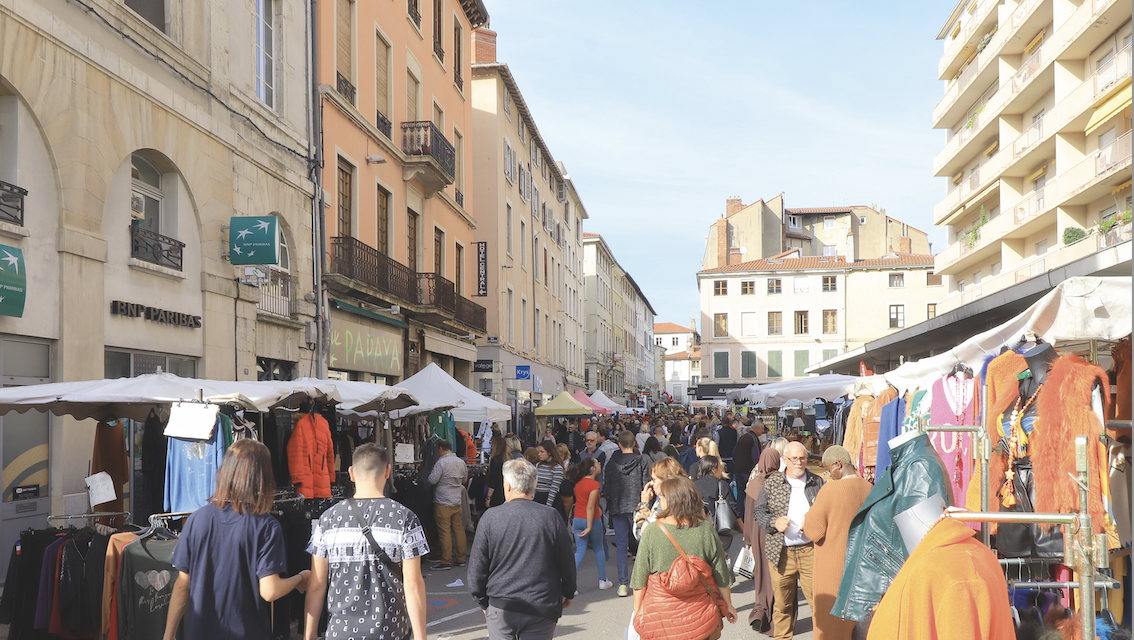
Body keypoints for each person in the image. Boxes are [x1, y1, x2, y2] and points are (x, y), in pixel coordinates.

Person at [163, 439, 310, 640]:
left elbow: (182, 585)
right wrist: (301, 578)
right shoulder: (266, 526)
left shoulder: (197, 519)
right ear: (262, 476)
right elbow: (270, 590)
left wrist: (168, 634)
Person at [303, 444, 429, 640]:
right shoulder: (405, 518)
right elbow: (413, 585)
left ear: (351, 473)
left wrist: (309, 635)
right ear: (388, 470)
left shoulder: (327, 520)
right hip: (390, 631)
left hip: (340, 631)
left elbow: (316, 584)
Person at [468, 459, 578, 640]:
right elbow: (566, 560)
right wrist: (568, 591)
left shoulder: (491, 518)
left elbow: (477, 568)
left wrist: (482, 601)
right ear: (533, 486)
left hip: (502, 605)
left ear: (508, 486)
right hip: (541, 605)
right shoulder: (550, 517)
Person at [631, 476, 738, 640]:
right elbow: (721, 574)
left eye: (663, 496)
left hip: (660, 619)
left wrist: (638, 612)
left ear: (672, 500)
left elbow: (639, 579)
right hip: (701, 618)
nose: (661, 500)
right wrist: (728, 604)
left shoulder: (652, 531)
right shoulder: (705, 530)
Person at [753, 441, 824, 640]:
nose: (799, 462)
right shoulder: (773, 483)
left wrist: (813, 522)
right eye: (794, 458)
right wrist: (774, 521)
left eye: (802, 458)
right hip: (781, 552)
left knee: (817, 603)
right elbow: (758, 512)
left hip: (810, 550)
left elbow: (827, 514)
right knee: (783, 605)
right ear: (784, 460)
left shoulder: (817, 482)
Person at [802, 445, 873, 640]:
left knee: (832, 625)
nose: (829, 474)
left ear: (838, 465)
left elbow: (813, 530)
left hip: (834, 569)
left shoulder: (830, 489)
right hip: (861, 568)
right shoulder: (868, 487)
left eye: (828, 469)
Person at [604, 431, 650, 596]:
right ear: (634, 443)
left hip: (617, 507)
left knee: (622, 547)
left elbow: (606, 487)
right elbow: (646, 485)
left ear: (619, 444)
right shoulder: (641, 461)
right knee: (643, 544)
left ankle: (623, 584)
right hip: (636, 506)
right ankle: (644, 581)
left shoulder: (611, 464)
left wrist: (610, 504)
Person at [743, 447, 781, 633]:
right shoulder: (781, 483)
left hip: (757, 534)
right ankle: (776, 618)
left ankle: (760, 610)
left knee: (761, 575)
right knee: (777, 574)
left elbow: (749, 515)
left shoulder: (754, 484)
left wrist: (748, 539)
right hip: (776, 533)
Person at [567, 457, 612, 590]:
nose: (599, 465)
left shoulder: (578, 483)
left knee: (579, 551)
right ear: (592, 469)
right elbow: (590, 507)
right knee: (599, 548)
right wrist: (590, 526)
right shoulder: (594, 485)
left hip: (577, 518)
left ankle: (570, 585)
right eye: (597, 463)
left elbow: (583, 502)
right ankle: (602, 580)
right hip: (591, 519)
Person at [427, 439, 468, 571]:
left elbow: (432, 480)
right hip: (456, 500)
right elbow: (465, 479)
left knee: (445, 532)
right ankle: (461, 558)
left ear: (440, 448)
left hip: (443, 501)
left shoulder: (441, 462)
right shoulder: (461, 462)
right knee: (458, 529)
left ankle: (446, 560)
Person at [633, 456, 688, 540]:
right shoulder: (690, 496)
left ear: (667, 479)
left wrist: (644, 506)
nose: (651, 483)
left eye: (654, 479)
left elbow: (641, 534)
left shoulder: (664, 503)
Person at [693, 455, 742, 534]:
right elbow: (733, 508)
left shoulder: (693, 486)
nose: (721, 470)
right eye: (720, 467)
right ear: (713, 470)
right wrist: (743, 529)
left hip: (698, 529)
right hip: (719, 530)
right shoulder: (722, 485)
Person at [534, 440, 567, 520]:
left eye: (542, 452)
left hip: (550, 499)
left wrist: (548, 507)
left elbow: (554, 489)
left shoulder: (557, 468)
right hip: (538, 498)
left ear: (549, 452)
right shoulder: (539, 465)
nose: (539, 454)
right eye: (539, 452)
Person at [733, 421, 764, 504]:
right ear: (756, 428)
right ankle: (748, 513)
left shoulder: (743, 436)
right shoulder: (753, 438)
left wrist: (736, 463)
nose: (763, 431)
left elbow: (734, 452)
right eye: (762, 429)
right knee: (750, 494)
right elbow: (756, 456)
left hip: (738, 469)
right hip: (747, 470)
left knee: (740, 493)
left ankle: (740, 513)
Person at [485, 436, 509, 508]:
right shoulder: (508, 459)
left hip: (497, 494)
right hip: (507, 493)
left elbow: (493, 481)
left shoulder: (495, 460)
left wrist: (489, 497)